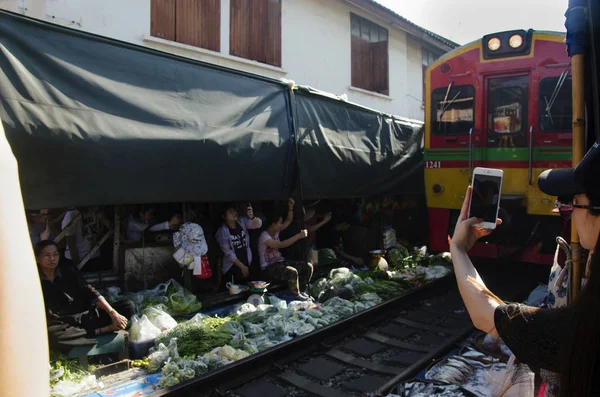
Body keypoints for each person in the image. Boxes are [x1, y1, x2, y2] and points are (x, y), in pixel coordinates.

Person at [449, 140, 600, 397]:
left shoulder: (587, 327)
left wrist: (459, 249)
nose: (570, 214)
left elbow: (488, 315)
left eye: (574, 203)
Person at [36, 240, 135, 345]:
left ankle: (83, 335)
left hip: (85, 317)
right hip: (62, 323)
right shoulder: (34, 279)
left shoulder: (68, 271)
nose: (52, 259)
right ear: (37, 258)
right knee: (51, 335)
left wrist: (113, 313)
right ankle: (103, 330)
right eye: (47, 255)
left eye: (55, 254)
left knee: (128, 306)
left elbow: (90, 292)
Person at [258, 198, 313, 300]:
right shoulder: (264, 236)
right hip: (268, 267)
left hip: (280, 262)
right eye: (279, 223)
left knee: (308, 266)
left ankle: (302, 291)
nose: (281, 225)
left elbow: (289, 220)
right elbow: (281, 245)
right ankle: (297, 296)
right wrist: (298, 236)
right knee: (292, 272)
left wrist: (291, 208)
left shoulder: (277, 231)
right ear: (273, 224)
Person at [215, 202, 262, 284]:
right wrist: (242, 267)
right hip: (232, 266)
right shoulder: (222, 231)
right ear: (223, 216)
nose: (234, 213)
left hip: (246, 261)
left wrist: (253, 217)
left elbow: (258, 224)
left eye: (235, 211)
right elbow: (228, 253)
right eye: (230, 212)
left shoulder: (241, 221)